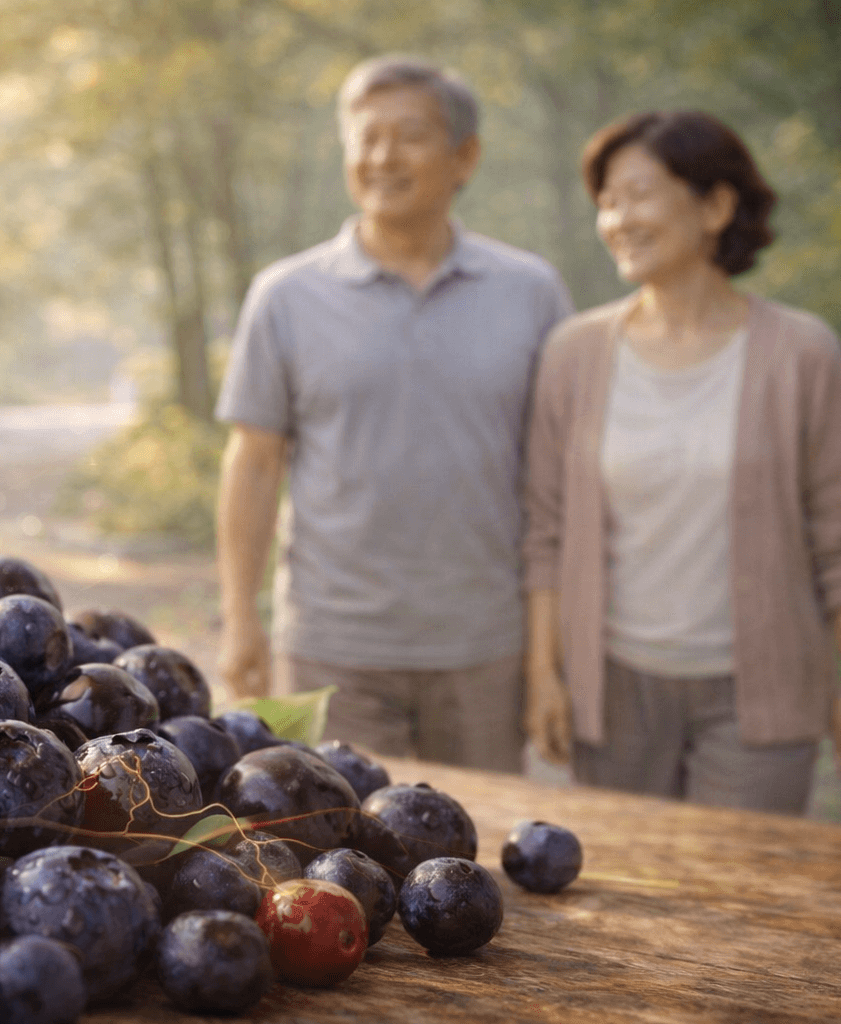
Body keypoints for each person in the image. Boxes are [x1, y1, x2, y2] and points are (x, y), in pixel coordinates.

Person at [213, 55, 574, 771]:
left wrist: (546, 658)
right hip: (336, 645)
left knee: (474, 860)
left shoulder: (530, 291)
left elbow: (553, 486)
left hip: (484, 646)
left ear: (464, 156)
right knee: (348, 857)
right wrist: (240, 619)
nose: (381, 156)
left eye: (409, 135)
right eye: (364, 136)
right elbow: (253, 466)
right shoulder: (285, 296)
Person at [523, 110, 841, 813]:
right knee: (627, 903)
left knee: (744, 900)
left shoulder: (801, 352)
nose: (617, 218)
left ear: (716, 205)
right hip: (616, 690)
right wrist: (545, 673)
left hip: (762, 691)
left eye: (636, 194)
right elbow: (546, 530)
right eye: (606, 201)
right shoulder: (574, 353)